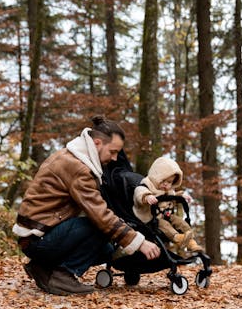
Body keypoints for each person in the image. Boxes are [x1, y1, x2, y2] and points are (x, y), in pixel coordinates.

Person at [13, 116, 160, 295]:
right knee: (99, 226)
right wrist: (139, 242)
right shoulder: (78, 167)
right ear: (97, 143)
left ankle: (42, 268)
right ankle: (63, 275)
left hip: (38, 236)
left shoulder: (71, 157)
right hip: (38, 240)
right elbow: (100, 215)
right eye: (112, 152)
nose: (114, 158)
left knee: (106, 249)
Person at [132, 156, 203, 255]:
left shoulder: (168, 190)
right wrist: (147, 196)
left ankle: (191, 242)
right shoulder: (147, 185)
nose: (166, 184)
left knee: (180, 222)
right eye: (163, 181)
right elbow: (139, 192)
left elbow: (172, 197)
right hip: (152, 219)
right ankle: (178, 239)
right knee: (165, 226)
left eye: (169, 182)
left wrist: (181, 196)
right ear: (156, 176)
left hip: (167, 215)